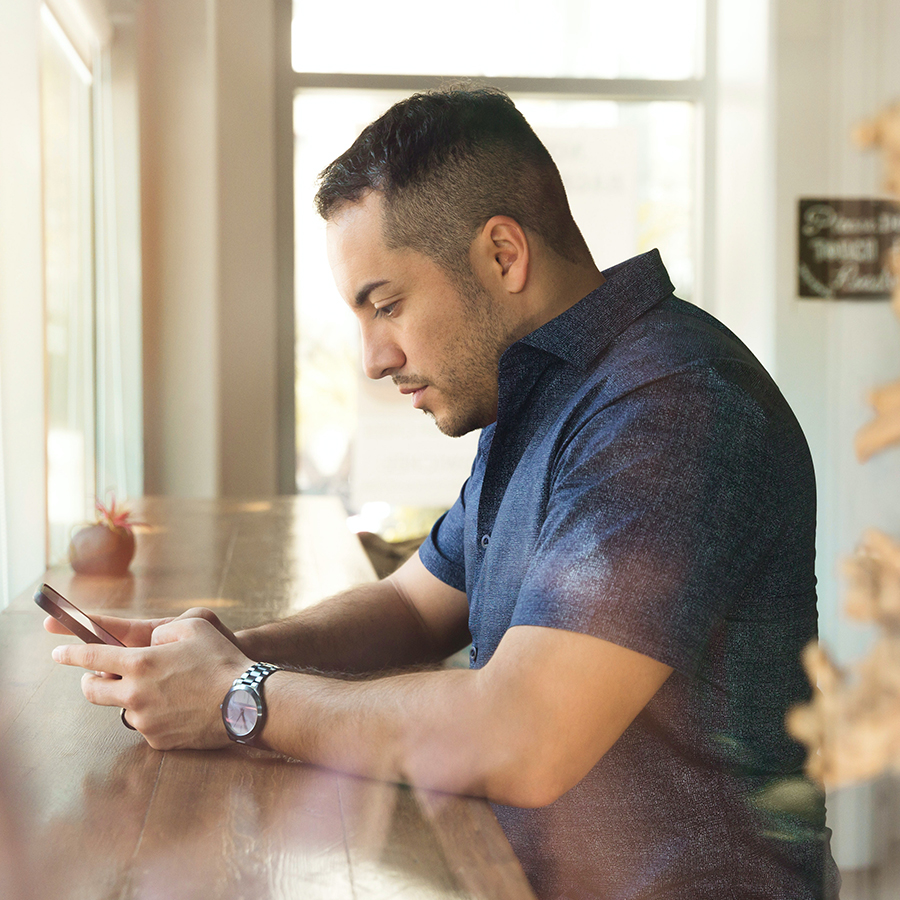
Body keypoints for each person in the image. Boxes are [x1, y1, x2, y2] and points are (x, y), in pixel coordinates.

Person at [48, 88, 838, 899]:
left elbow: (522, 734)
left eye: (386, 305)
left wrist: (240, 700)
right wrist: (224, 654)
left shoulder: (673, 407)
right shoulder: (538, 391)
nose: (373, 359)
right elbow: (413, 607)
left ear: (503, 255)